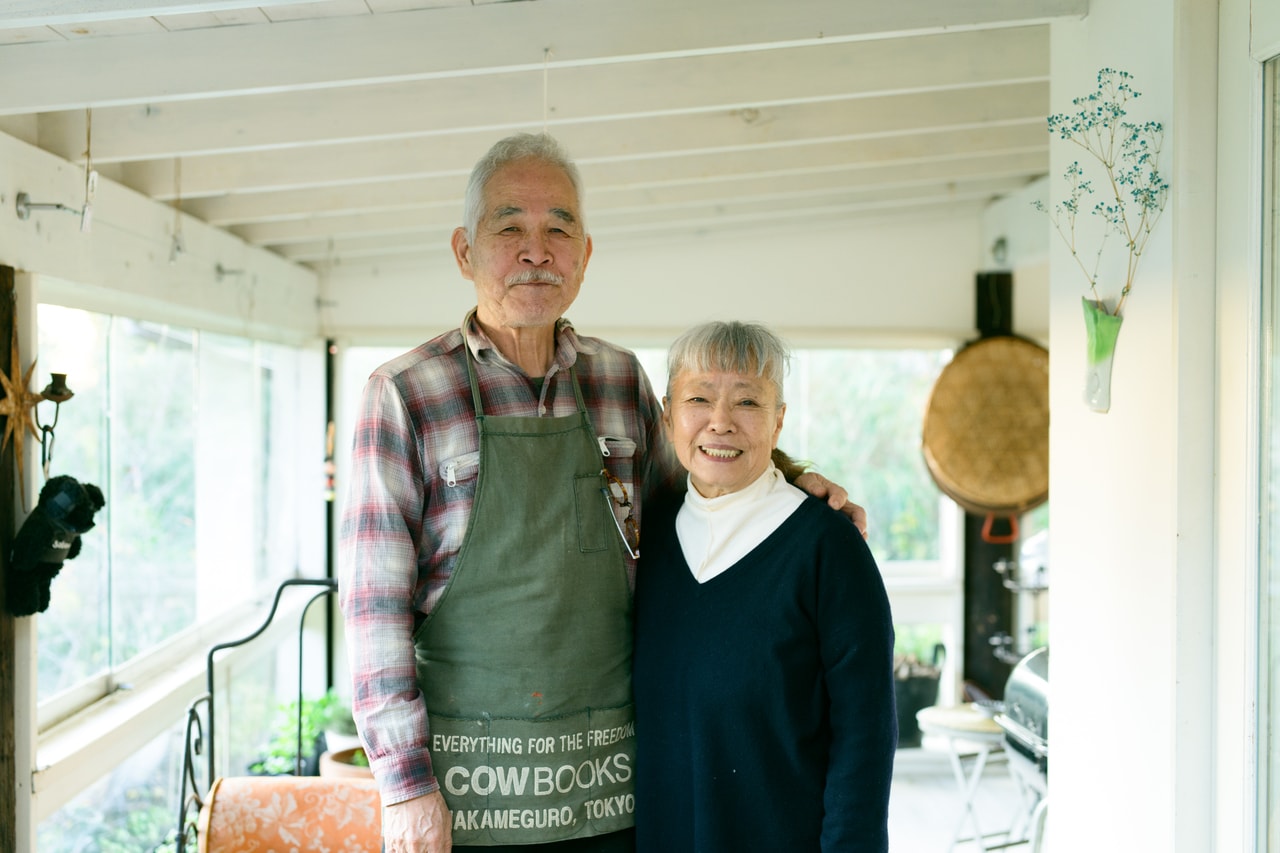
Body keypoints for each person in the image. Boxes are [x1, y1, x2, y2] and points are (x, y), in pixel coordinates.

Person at [339, 133, 864, 853]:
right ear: (465, 251)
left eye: (559, 228)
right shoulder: (402, 394)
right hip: (471, 791)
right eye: (510, 228)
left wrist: (794, 481)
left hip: (614, 787)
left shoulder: (619, 380)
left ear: (585, 255)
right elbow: (372, 613)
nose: (537, 250)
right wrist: (405, 786)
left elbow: (697, 495)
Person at [632, 320, 897, 853]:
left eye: (748, 403)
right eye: (699, 398)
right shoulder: (649, 533)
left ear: (778, 422)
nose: (720, 423)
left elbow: (865, 734)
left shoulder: (828, 546)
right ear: (667, 416)